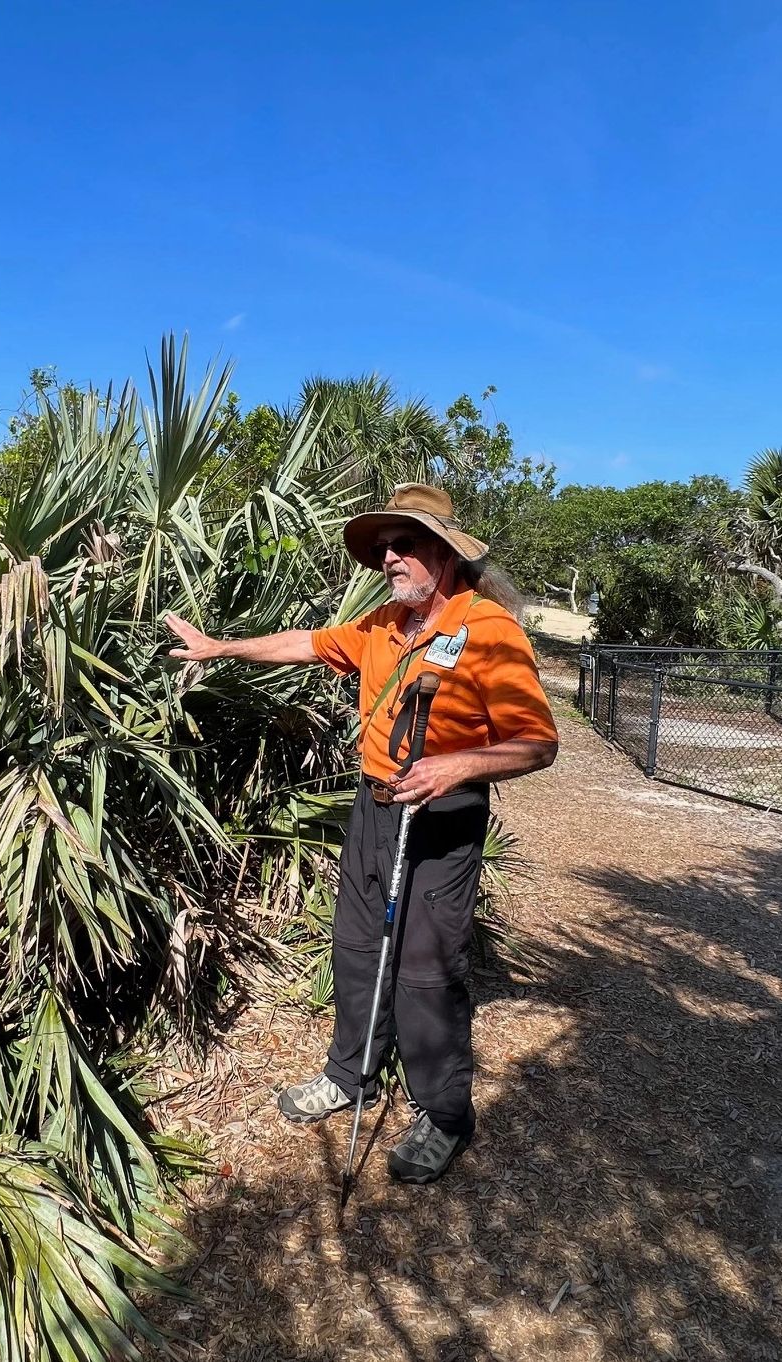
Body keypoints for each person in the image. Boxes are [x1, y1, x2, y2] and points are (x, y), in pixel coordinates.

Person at [164, 483, 558, 1184]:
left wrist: (460, 764)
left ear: (442, 552)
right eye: (381, 547)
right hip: (375, 808)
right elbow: (305, 644)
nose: (388, 557)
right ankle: (350, 1076)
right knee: (355, 946)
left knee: (426, 968)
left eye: (403, 544)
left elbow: (537, 743)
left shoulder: (489, 631)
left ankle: (442, 1114)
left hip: (444, 815)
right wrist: (220, 646)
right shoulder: (381, 624)